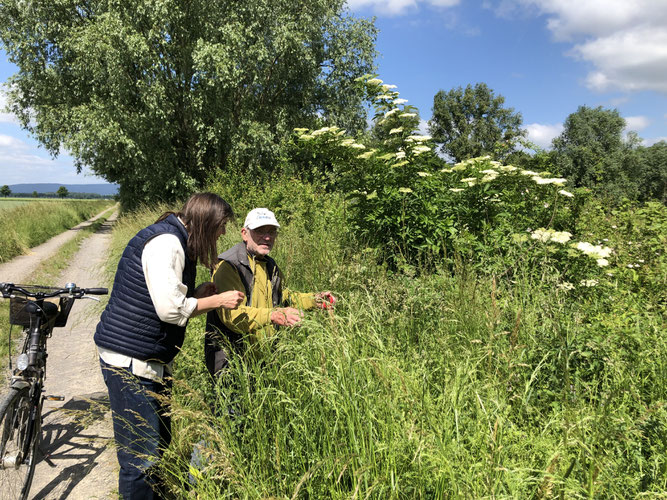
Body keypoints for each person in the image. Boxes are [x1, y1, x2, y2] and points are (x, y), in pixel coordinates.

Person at [94, 192, 245, 499]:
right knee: (140, 457)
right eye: (221, 226)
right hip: (130, 360)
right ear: (206, 222)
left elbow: (164, 295)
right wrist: (216, 300)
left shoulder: (176, 239)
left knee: (158, 442)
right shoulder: (167, 244)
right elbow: (170, 310)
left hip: (146, 357)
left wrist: (198, 293)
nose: (223, 234)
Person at [204, 207, 336, 383]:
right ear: (244, 233)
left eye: (271, 231)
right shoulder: (229, 266)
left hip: (261, 360)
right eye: (259, 231)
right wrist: (274, 315)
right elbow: (233, 317)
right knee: (232, 410)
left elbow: (282, 296)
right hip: (231, 362)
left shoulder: (269, 265)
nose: (267, 237)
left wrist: (314, 300)